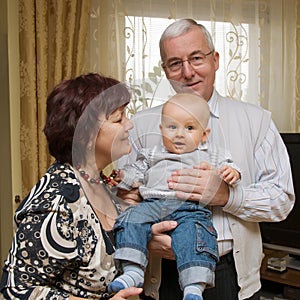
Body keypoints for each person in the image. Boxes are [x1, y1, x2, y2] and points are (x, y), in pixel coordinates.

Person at [117, 19, 295, 300]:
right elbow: (122, 200)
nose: (187, 72)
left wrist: (227, 196)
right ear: (165, 71)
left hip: (230, 276)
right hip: (160, 276)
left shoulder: (256, 121)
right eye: (175, 63)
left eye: (196, 58)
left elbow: (282, 199)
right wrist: (146, 236)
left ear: (215, 60)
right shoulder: (139, 125)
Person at [0, 73, 145, 300]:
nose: (129, 124)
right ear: (85, 134)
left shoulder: (99, 182)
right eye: (118, 119)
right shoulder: (56, 202)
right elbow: (17, 289)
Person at [109, 94, 240, 300]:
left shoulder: (209, 153)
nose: (180, 134)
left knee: (196, 236)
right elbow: (135, 173)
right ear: (161, 129)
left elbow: (229, 166)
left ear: (204, 134)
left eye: (189, 128)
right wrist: (122, 177)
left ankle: (194, 286)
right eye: (172, 127)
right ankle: (133, 269)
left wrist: (232, 173)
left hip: (189, 209)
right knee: (130, 218)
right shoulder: (152, 153)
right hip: (152, 204)